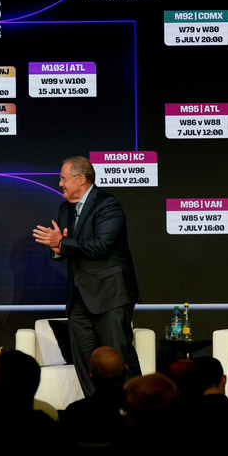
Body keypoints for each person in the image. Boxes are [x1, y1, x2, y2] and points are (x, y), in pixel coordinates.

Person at [32, 156, 140, 396]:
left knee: (118, 357)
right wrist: (57, 248)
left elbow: (102, 246)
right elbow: (66, 248)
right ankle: (97, 410)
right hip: (79, 297)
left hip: (110, 295)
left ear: (81, 179)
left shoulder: (107, 205)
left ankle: (135, 407)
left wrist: (62, 242)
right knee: (85, 361)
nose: (60, 184)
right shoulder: (65, 209)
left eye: (63, 178)